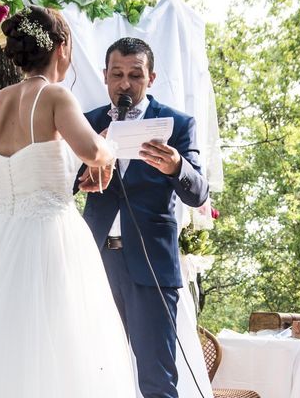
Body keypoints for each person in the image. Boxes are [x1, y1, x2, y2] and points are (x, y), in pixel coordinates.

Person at [0, 6, 136, 398]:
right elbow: (93, 150)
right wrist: (110, 147)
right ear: (62, 47)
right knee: (63, 343)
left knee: (4, 344)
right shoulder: (55, 95)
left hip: (3, 238)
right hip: (52, 235)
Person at [78, 37, 209, 398]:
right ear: (105, 76)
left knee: (157, 378)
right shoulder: (86, 122)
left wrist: (176, 165)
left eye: (135, 75)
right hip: (95, 262)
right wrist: (87, 162)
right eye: (117, 74)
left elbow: (199, 192)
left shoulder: (178, 124)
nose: (125, 83)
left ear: (150, 78)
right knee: (97, 373)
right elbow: (65, 182)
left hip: (151, 263)